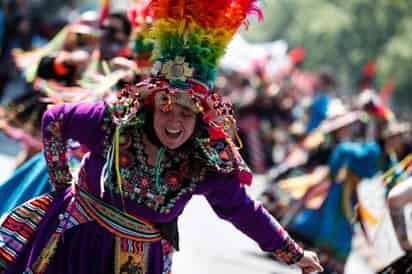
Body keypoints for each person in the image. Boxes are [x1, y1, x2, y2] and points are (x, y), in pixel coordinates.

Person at [0, 1, 323, 273]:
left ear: (201, 120)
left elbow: (242, 209)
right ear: (150, 106)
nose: (175, 121)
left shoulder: (206, 160)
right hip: (75, 244)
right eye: (167, 108)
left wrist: (293, 254)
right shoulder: (115, 123)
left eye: (187, 114)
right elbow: (54, 119)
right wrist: (59, 184)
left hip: (139, 262)